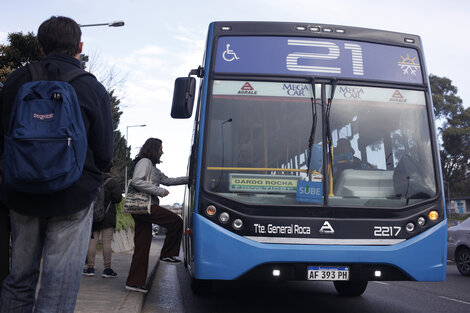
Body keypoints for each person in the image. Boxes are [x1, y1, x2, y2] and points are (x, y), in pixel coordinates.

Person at [0, 16, 113, 313]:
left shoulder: (17, 81)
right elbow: (104, 152)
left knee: (19, 277)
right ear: (80, 46)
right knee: (58, 283)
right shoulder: (89, 87)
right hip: (72, 195)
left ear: (41, 46)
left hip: (22, 192)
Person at [125, 138, 188, 294]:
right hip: (146, 206)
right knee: (176, 221)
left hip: (142, 209)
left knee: (142, 246)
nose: (162, 151)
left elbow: (168, 181)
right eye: (160, 148)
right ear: (154, 149)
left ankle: (134, 282)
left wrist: (192, 178)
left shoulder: (153, 167)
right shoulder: (144, 162)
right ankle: (167, 254)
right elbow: (137, 182)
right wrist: (159, 191)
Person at [83, 164, 122, 278]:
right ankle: (107, 269)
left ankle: (90, 268)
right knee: (106, 243)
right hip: (108, 217)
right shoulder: (112, 182)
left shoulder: (93, 180)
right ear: (110, 169)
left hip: (94, 217)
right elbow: (118, 199)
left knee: (92, 243)